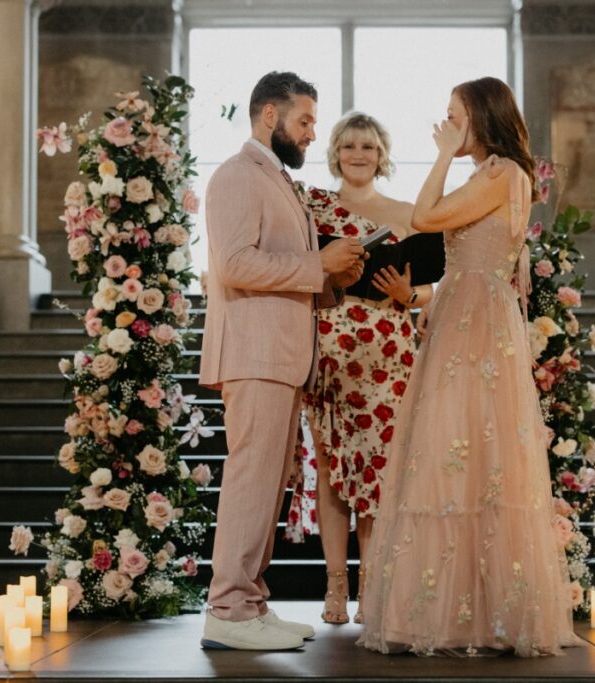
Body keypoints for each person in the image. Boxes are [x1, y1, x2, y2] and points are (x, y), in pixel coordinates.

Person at [356, 77, 578, 657]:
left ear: (480, 118)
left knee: (472, 455)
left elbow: (425, 215)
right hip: (462, 311)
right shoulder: (489, 175)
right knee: (453, 455)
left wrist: (438, 155)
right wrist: (414, 295)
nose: (446, 126)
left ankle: (481, 615)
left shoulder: (503, 172)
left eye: (454, 117)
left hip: (476, 324)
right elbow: (467, 264)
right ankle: (456, 611)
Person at [199, 71, 364, 651]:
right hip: (255, 352)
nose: (313, 134)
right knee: (251, 480)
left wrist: (333, 275)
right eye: (305, 121)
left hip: (281, 354)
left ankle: (250, 604)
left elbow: (282, 265)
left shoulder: (277, 180)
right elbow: (236, 265)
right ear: (270, 116)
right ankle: (228, 609)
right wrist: (320, 265)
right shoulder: (238, 176)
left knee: (269, 485)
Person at [290, 112, 435, 626]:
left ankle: (373, 587)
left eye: (368, 147)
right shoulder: (312, 208)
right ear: (334, 152)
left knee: (377, 473)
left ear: (381, 155)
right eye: (349, 145)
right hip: (331, 346)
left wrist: (407, 294)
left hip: (389, 353)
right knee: (331, 471)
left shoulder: (406, 212)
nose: (358, 154)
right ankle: (335, 587)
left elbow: (429, 289)